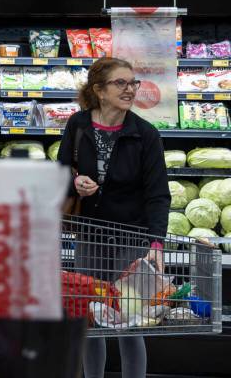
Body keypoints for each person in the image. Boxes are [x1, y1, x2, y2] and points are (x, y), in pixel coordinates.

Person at [57, 57, 171, 378]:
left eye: (132, 83)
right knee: (91, 317)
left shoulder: (145, 134)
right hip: (90, 235)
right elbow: (61, 173)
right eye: (120, 83)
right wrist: (75, 183)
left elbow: (158, 194)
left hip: (130, 238)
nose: (130, 89)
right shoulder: (77, 126)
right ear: (99, 90)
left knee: (128, 321)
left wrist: (156, 243)